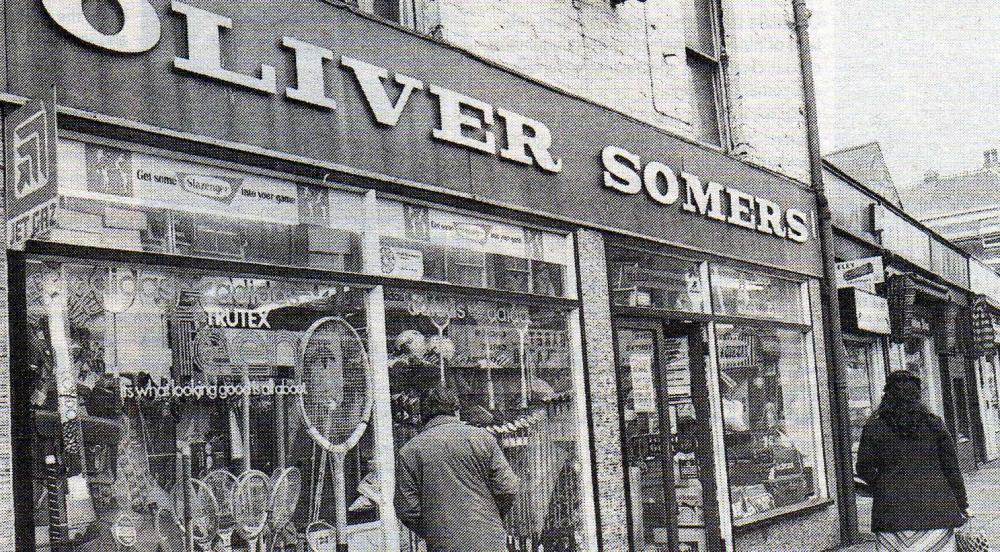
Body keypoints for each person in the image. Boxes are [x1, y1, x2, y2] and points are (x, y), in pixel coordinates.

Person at [395, 386, 520, 552]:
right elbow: (508, 487)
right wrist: (490, 517)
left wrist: (437, 532)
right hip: (489, 540)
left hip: (444, 544)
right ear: (456, 411)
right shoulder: (482, 438)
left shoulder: (409, 451)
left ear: (422, 416)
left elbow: (408, 511)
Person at [856, 370, 969, 551]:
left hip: (891, 513)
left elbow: (863, 468)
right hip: (937, 509)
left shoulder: (874, 426)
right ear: (917, 396)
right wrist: (962, 504)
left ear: (887, 395)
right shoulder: (934, 424)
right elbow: (952, 469)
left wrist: (883, 483)